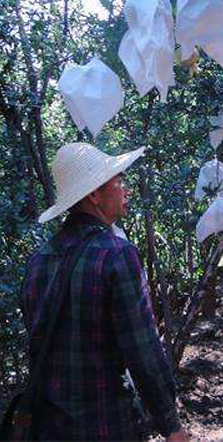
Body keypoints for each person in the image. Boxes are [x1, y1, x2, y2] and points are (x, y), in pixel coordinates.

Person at [21, 142, 189, 441]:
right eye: (119, 181)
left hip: (48, 429)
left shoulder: (39, 260)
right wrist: (171, 426)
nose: (126, 189)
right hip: (106, 427)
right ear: (95, 195)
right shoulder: (116, 255)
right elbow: (143, 351)